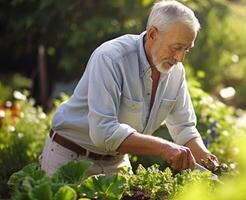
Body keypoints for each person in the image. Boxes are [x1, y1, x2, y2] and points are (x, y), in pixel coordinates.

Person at [39, 0, 218, 176]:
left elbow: (183, 128)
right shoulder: (111, 58)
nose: (180, 58)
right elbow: (104, 132)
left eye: (187, 49)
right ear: (153, 34)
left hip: (116, 163)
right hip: (70, 158)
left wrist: (212, 167)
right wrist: (164, 148)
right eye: (176, 47)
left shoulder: (176, 72)